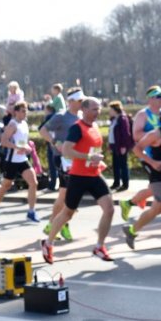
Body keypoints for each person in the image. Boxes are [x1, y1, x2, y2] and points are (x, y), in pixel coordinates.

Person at [41, 96, 115, 264]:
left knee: (109, 209)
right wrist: (88, 156)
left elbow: (93, 148)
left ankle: (99, 246)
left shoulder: (95, 127)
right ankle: (48, 243)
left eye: (99, 109)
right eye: (95, 109)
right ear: (85, 110)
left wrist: (97, 160)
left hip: (95, 174)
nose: (98, 112)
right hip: (78, 176)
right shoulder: (77, 128)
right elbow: (67, 151)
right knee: (67, 213)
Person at [123, 100, 161, 262]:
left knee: (155, 210)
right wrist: (153, 162)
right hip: (159, 179)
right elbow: (136, 148)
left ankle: (132, 230)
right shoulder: (157, 133)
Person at [120, 86, 161, 231]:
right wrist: (156, 135)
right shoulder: (143, 115)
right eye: (158, 96)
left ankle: (129, 203)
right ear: (151, 99)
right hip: (149, 156)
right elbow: (135, 135)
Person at [38, 88, 85, 241]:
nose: (81, 103)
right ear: (70, 101)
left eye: (82, 100)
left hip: (77, 159)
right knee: (66, 194)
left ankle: (53, 224)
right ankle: (61, 224)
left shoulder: (82, 117)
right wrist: (54, 142)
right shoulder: (61, 116)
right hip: (62, 159)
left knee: (67, 195)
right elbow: (43, 130)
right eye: (79, 101)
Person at [0, 101, 39, 223]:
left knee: (33, 183)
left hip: (22, 159)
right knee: (6, 185)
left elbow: (23, 141)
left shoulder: (24, 124)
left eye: (26, 110)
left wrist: (27, 147)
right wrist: (17, 147)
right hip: (12, 160)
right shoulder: (12, 125)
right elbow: (3, 141)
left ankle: (31, 212)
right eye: (23, 111)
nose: (25, 113)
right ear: (16, 112)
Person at [107, 101, 134, 191]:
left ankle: (125, 184)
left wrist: (124, 146)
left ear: (115, 110)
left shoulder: (122, 119)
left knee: (123, 165)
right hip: (115, 145)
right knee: (116, 165)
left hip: (121, 146)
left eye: (111, 110)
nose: (109, 111)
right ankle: (116, 183)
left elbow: (125, 133)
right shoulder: (114, 119)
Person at [39, 104, 58, 191]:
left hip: (52, 143)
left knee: (52, 165)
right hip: (60, 142)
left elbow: (41, 128)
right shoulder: (59, 116)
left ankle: (52, 185)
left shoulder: (50, 117)